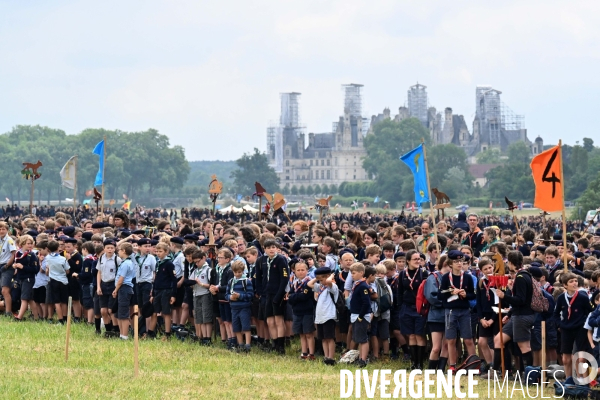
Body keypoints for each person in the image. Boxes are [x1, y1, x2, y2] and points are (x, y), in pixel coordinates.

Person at [493, 250, 535, 376]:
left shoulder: (522, 277)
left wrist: (503, 296)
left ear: (510, 263)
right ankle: (497, 371)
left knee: (524, 347)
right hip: (516, 315)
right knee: (498, 339)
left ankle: (528, 375)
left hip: (523, 316)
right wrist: (509, 314)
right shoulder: (521, 275)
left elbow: (521, 300)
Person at [439, 250, 476, 372]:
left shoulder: (467, 277)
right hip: (450, 310)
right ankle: (452, 365)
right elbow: (440, 294)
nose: (459, 264)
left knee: (468, 339)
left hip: (464, 310)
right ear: (450, 264)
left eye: (461, 261)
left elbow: (472, 294)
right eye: (456, 262)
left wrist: (466, 294)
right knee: (451, 339)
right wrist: (450, 292)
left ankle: (474, 365)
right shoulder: (445, 278)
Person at [554, 272, 594, 384]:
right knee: (566, 358)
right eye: (571, 281)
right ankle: (569, 379)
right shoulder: (561, 298)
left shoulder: (583, 297)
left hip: (580, 329)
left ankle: (583, 380)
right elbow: (556, 313)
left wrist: (586, 324)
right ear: (565, 285)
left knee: (581, 357)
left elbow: (591, 312)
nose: (574, 283)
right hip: (566, 329)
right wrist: (560, 324)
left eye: (576, 281)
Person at [255, 239, 289, 355]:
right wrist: (260, 291)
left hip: (277, 293)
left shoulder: (281, 259)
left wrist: (280, 294)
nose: (271, 249)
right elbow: (258, 277)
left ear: (277, 248)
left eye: (273, 247)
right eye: (268, 247)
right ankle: (274, 342)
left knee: (278, 320)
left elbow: (285, 278)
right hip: (266, 294)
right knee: (269, 321)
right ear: (264, 249)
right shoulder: (261, 260)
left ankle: (281, 345)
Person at [398, 249, 429, 370]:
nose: (418, 261)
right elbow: (399, 292)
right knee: (411, 335)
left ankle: (420, 364)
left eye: (419, 259)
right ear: (408, 261)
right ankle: (413, 363)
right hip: (407, 307)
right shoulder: (402, 274)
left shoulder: (424, 273)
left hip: (420, 308)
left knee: (419, 335)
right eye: (415, 259)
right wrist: (400, 307)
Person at [148, 242, 177, 339]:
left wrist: (173, 294)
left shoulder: (169, 264)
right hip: (157, 290)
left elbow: (174, 280)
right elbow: (156, 279)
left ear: (166, 252)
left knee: (166, 313)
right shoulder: (158, 263)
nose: (158, 253)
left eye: (160, 251)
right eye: (157, 251)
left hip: (166, 290)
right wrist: (153, 292)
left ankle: (167, 333)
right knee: (154, 312)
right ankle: (150, 333)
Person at [288, 260, 316, 360]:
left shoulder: (309, 282)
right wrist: (296, 297)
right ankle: (304, 353)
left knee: (308, 333)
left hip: (307, 311)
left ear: (307, 270)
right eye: (298, 270)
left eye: (302, 270)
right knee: (301, 333)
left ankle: (311, 353)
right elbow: (290, 298)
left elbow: (305, 296)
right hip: (297, 311)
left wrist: (295, 297)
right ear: (294, 271)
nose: (300, 272)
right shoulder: (295, 283)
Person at [424, 255, 448, 370]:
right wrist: (446, 302)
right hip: (436, 316)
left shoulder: (454, 277)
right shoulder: (433, 278)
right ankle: (431, 370)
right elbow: (431, 296)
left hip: (450, 316)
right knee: (436, 347)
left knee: (446, 345)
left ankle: (441, 370)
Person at [225, 260, 254, 353]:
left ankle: (248, 345)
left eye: (239, 272)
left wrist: (240, 296)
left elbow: (250, 295)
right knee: (236, 327)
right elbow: (226, 294)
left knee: (246, 326)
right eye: (235, 272)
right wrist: (230, 297)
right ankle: (240, 344)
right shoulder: (231, 282)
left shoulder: (246, 282)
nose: (237, 274)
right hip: (234, 308)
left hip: (244, 307)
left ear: (242, 271)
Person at [313, 267, 339, 365]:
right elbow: (309, 284)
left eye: (321, 279)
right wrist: (317, 278)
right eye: (319, 280)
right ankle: (326, 356)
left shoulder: (332, 287)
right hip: (320, 317)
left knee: (330, 337)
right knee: (323, 338)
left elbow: (328, 281)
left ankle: (331, 357)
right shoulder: (320, 287)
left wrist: (331, 276)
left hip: (329, 316)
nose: (320, 282)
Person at [96, 240, 122, 336]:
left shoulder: (117, 260)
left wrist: (116, 289)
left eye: (112, 248)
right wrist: (98, 286)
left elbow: (120, 274)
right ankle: (108, 330)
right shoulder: (101, 258)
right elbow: (99, 272)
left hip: (113, 285)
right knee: (103, 310)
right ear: (104, 249)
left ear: (115, 249)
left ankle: (115, 330)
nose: (110, 250)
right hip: (103, 284)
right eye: (108, 248)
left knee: (111, 310)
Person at [349, 262, 372, 368]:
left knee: (363, 339)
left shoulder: (363, 286)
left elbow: (366, 302)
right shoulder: (357, 284)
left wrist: (361, 316)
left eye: (354, 273)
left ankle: (363, 359)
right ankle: (360, 358)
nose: (352, 275)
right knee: (358, 338)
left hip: (361, 315)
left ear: (361, 273)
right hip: (355, 314)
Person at [113, 243, 136, 340]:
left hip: (124, 288)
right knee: (119, 313)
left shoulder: (126, 263)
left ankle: (125, 335)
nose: (118, 252)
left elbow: (121, 279)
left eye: (119, 250)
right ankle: (121, 334)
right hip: (122, 289)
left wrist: (115, 290)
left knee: (124, 314)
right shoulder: (125, 262)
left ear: (124, 251)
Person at [13, 235, 38, 321]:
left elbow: (35, 269)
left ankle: (19, 317)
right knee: (30, 299)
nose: (30, 245)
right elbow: (16, 262)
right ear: (22, 244)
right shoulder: (18, 253)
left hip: (28, 278)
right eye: (28, 243)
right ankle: (36, 317)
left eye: (31, 243)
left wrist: (23, 267)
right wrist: (15, 266)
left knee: (24, 298)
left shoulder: (32, 255)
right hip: (21, 278)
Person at [190, 250, 213, 345]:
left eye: (198, 261)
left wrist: (201, 283)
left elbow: (211, 285)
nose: (197, 263)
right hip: (196, 294)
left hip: (205, 294)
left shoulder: (208, 270)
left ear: (204, 258)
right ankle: (203, 337)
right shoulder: (195, 271)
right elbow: (190, 280)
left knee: (206, 317)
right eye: (195, 262)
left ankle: (208, 337)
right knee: (200, 318)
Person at [45, 240, 70, 324]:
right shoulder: (62, 258)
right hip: (63, 281)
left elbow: (47, 268)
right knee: (64, 301)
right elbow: (67, 271)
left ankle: (60, 319)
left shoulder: (48, 258)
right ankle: (65, 318)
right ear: (58, 247)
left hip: (53, 280)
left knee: (56, 301)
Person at [0, 221, 17, 317]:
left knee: (5, 290)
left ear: (7, 230)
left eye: (3, 229)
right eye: (0, 229)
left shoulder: (9, 240)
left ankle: (8, 311)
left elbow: (14, 254)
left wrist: (7, 265)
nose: (1, 231)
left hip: (6, 266)